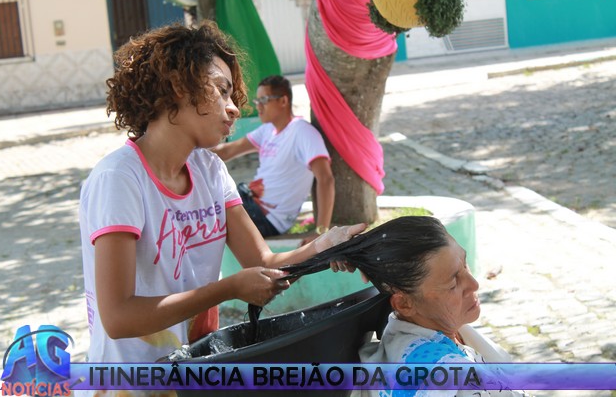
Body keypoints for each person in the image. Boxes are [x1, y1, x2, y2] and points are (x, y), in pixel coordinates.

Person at [78, 22, 364, 396]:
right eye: (221, 90)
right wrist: (227, 289)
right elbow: (118, 318)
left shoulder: (210, 171)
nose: (234, 108)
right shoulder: (119, 179)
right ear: (178, 86)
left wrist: (324, 247)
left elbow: (263, 263)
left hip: (193, 376)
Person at [279, 216, 528, 397]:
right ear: (404, 303)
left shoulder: (444, 331)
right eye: (453, 283)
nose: (474, 284)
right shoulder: (436, 373)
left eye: (465, 265)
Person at [212, 75, 334, 243]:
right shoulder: (267, 130)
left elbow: (326, 179)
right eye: (257, 101)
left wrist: (321, 231)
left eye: (264, 100)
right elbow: (227, 151)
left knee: (206, 213)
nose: (259, 106)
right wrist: (187, 152)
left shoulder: (302, 131)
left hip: (267, 218)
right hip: (249, 201)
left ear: (283, 101)